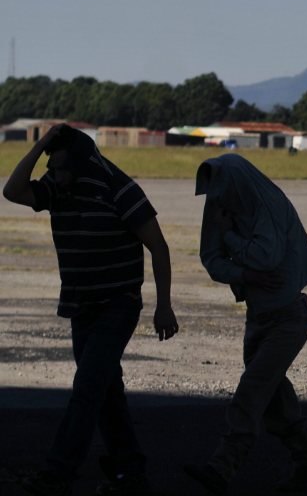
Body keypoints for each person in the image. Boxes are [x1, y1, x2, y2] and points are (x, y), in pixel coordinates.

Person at [3, 124, 179, 496]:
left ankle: (58, 473)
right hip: (81, 307)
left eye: (62, 167)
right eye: (52, 168)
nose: (55, 175)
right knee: (105, 391)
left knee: (86, 390)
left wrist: (164, 306)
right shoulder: (57, 188)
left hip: (117, 306)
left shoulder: (119, 189)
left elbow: (159, 247)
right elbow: (12, 190)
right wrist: (42, 146)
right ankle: (131, 471)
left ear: (83, 164)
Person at [184, 154, 307, 494]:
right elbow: (211, 260)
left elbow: (266, 256)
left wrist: (230, 236)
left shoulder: (267, 206)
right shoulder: (221, 204)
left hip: (288, 319)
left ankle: (222, 467)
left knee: (251, 392)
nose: (219, 199)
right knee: (274, 398)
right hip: (258, 319)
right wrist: (247, 274)